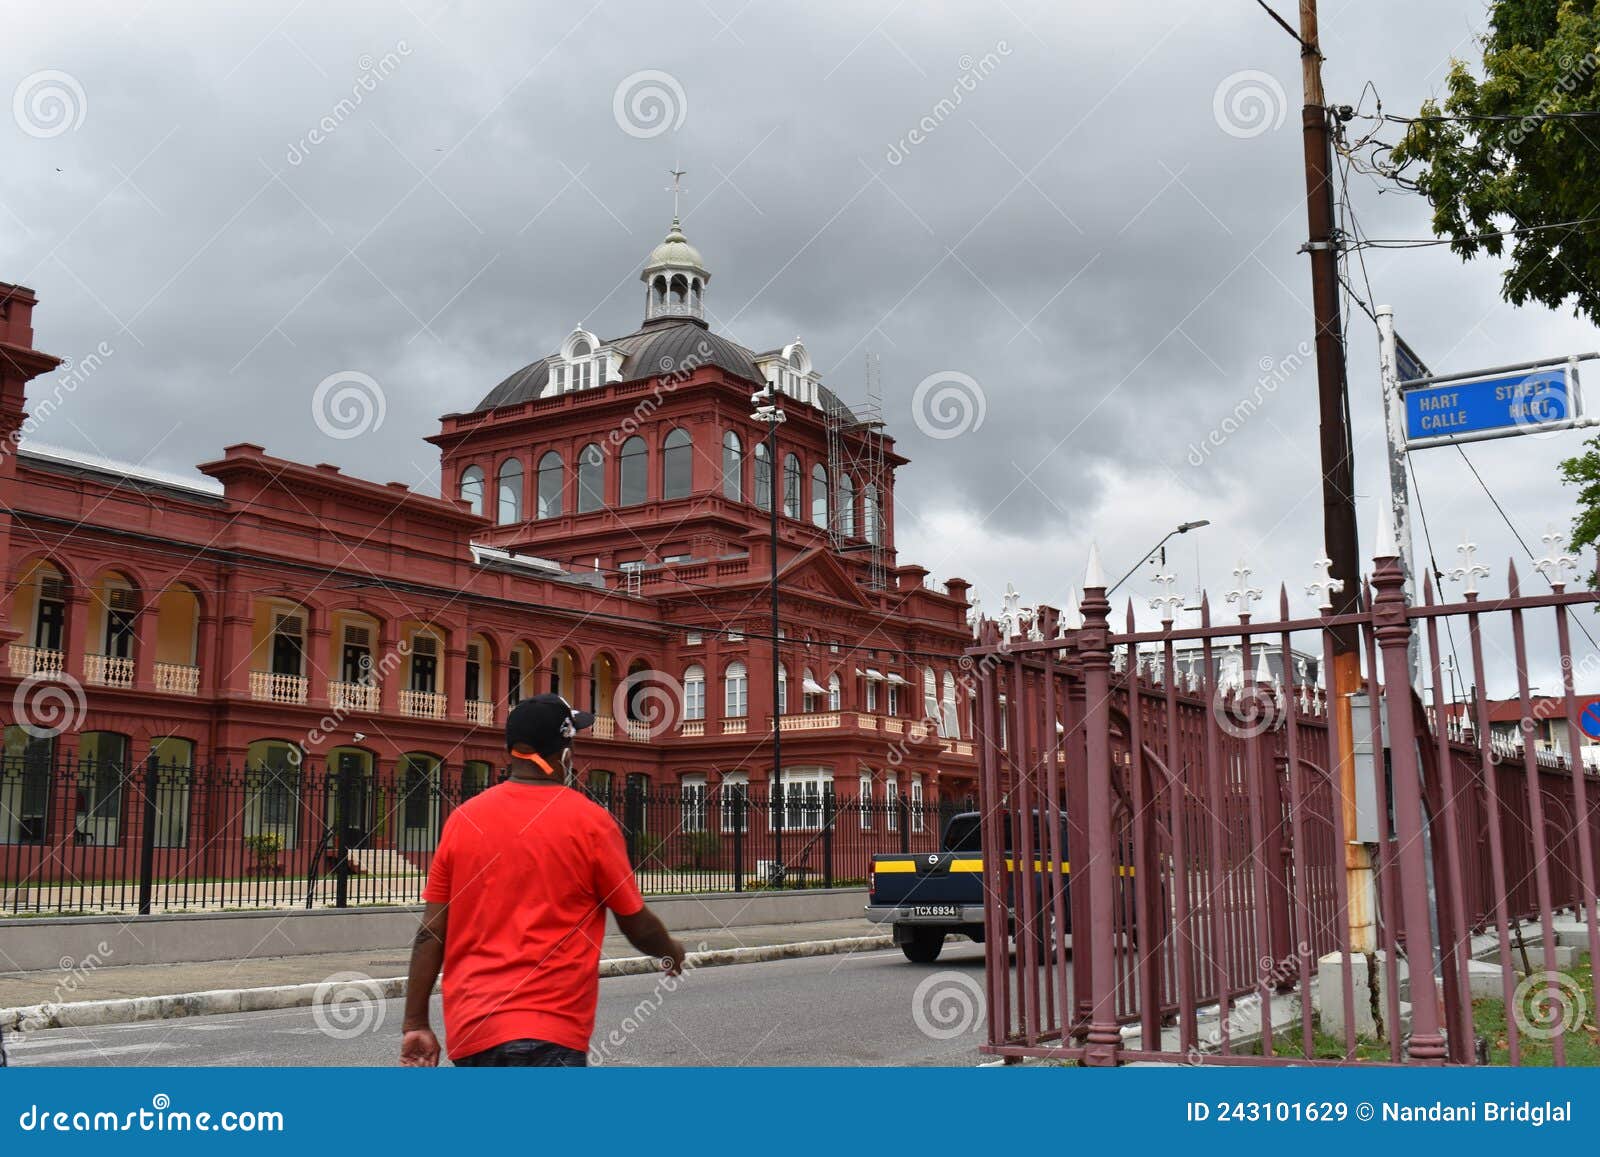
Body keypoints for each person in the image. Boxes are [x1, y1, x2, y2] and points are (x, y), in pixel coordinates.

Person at [399, 693, 686, 1067]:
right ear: (565, 752)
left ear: (510, 752)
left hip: (474, 1031)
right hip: (552, 1032)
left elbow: (431, 932)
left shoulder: (462, 820)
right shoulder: (591, 824)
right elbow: (634, 921)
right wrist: (668, 949)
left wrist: (416, 1022)